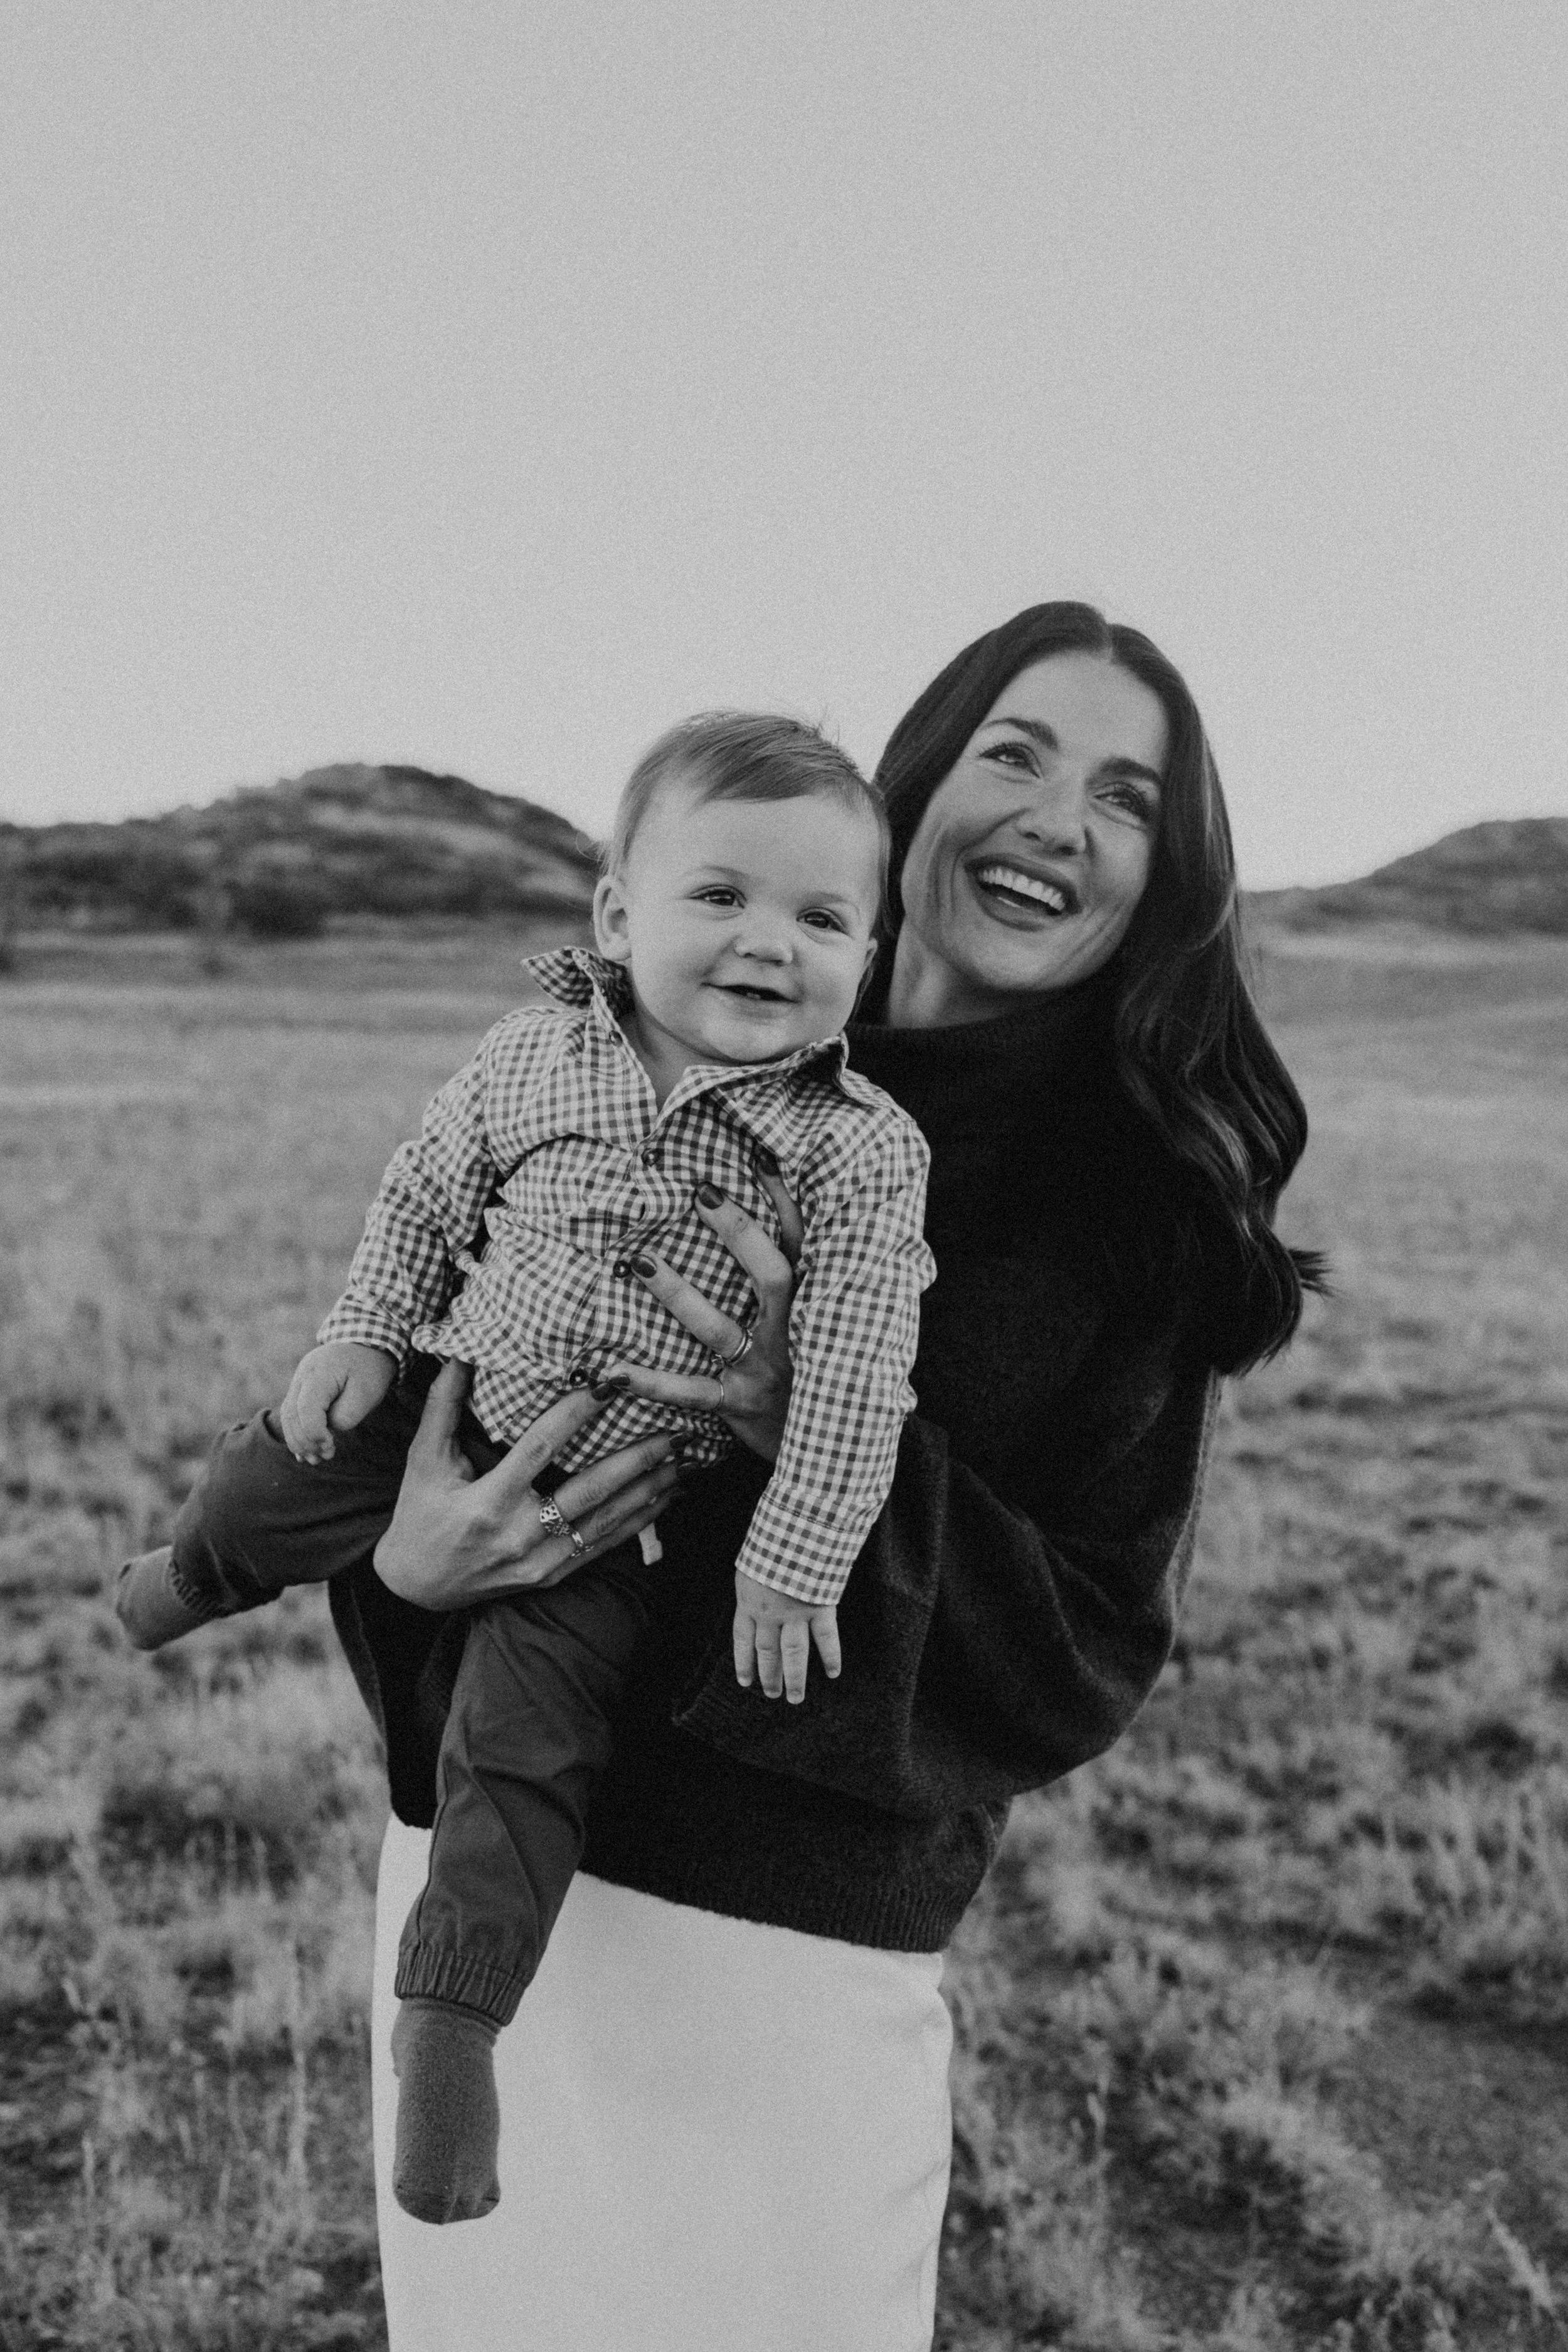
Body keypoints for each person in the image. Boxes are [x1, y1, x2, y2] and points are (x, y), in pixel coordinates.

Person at [319, 602, 1322, 2352]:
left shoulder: (1132, 1202)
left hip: (781, 1964)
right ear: (914, 781)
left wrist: (816, 1423)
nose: (1054, 818)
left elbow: (1087, 1646)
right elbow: (416, 1392)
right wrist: (401, 1569)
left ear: (1160, 874)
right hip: (479, 1910)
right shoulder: (648, 1052)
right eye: (1012, 752)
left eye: (1124, 795)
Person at [114, 712, 935, 2226]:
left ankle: (452, 2027)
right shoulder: (531, 1053)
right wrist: (364, 1329)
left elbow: (857, 1370)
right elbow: (427, 1190)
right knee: (273, 1471)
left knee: (521, 1750)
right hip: (453, 1388)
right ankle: (182, 1580)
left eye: (821, 918)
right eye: (721, 897)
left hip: (605, 1512)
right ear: (617, 915)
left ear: (867, 960)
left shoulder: (857, 1149)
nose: (768, 944)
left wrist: (794, 1552)